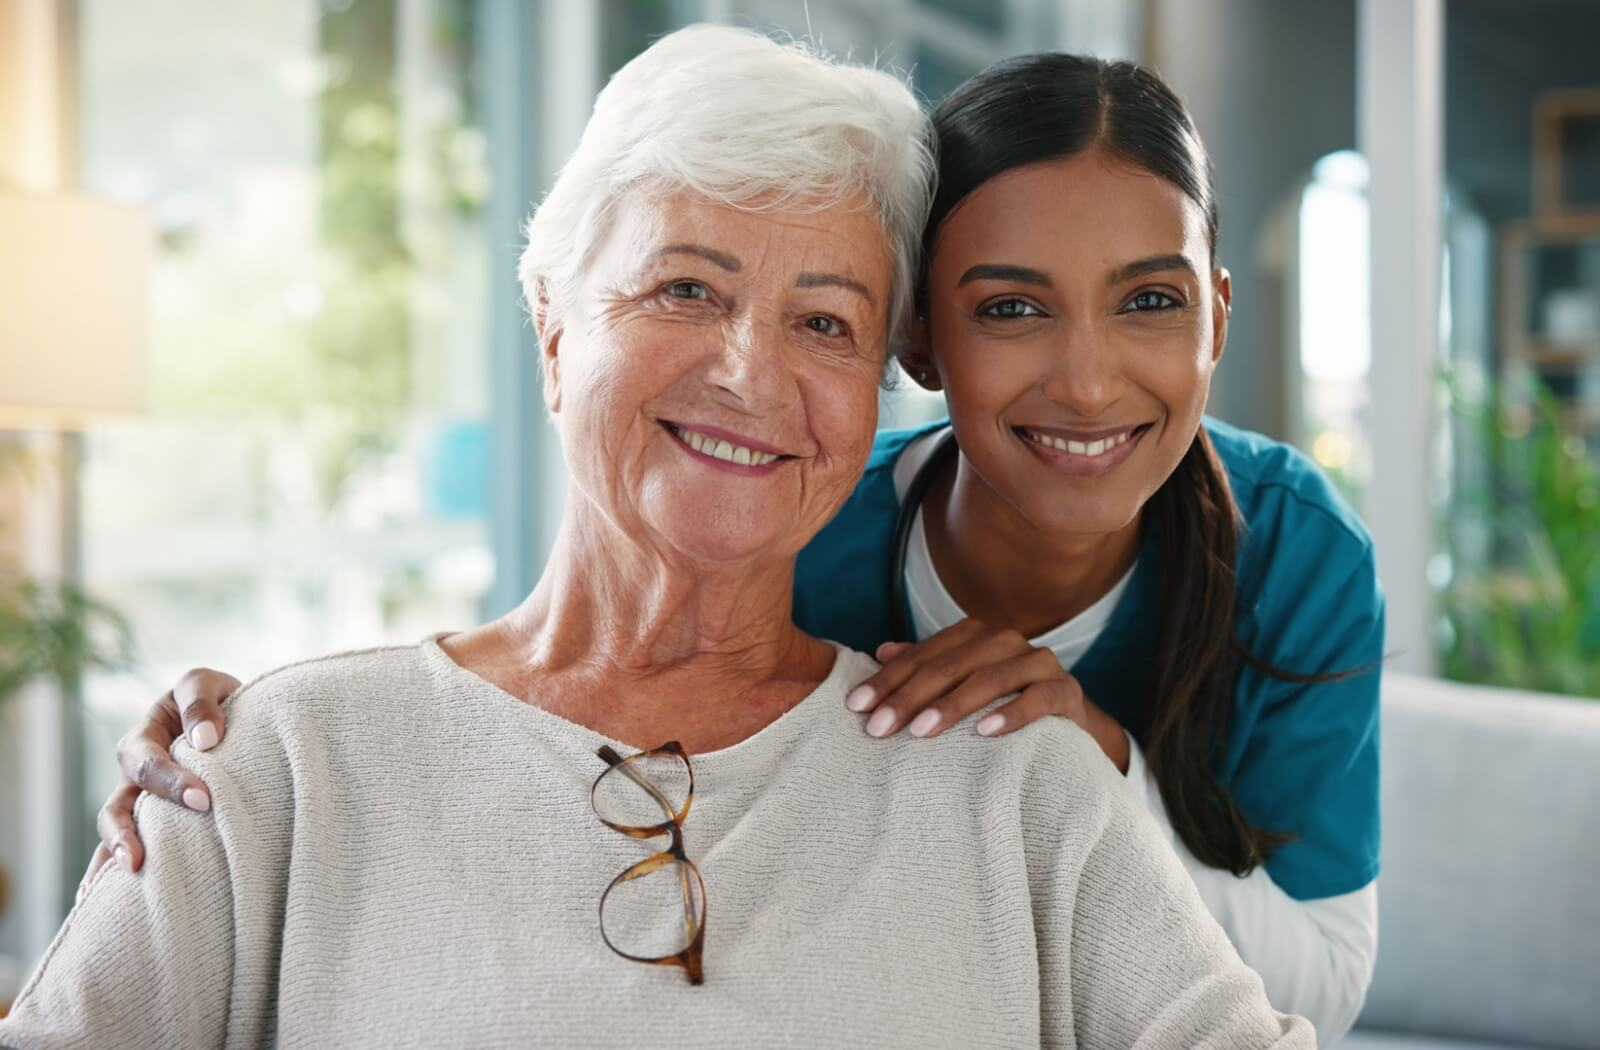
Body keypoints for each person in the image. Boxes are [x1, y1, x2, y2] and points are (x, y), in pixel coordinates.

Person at [0, 25, 1311, 1050]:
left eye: (826, 319)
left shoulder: (1013, 782)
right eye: (689, 285)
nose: (751, 372)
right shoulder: (268, 767)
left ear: (876, 389)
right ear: (555, 325)